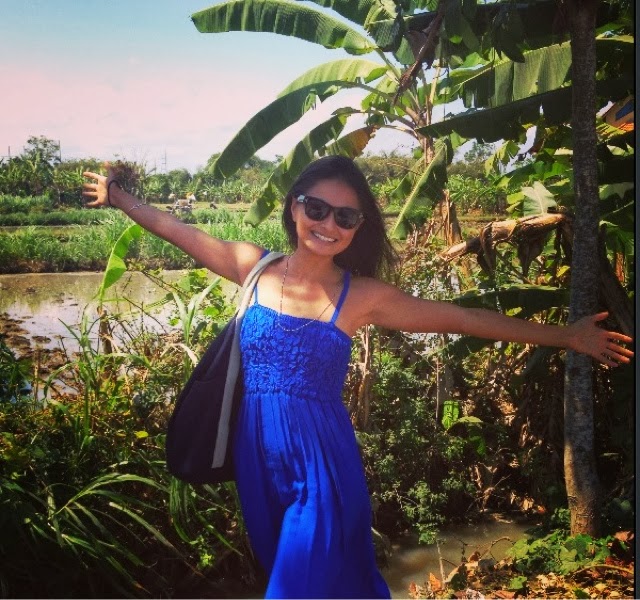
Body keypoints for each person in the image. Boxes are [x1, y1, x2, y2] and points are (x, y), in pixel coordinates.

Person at [83, 156, 633, 599]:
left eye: (345, 217)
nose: (328, 225)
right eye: (317, 208)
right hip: (255, 460)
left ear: (358, 227)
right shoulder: (253, 267)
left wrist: (567, 336)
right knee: (301, 577)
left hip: (321, 465)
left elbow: (463, 319)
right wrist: (118, 196)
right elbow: (175, 230)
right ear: (295, 206)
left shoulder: (362, 296)